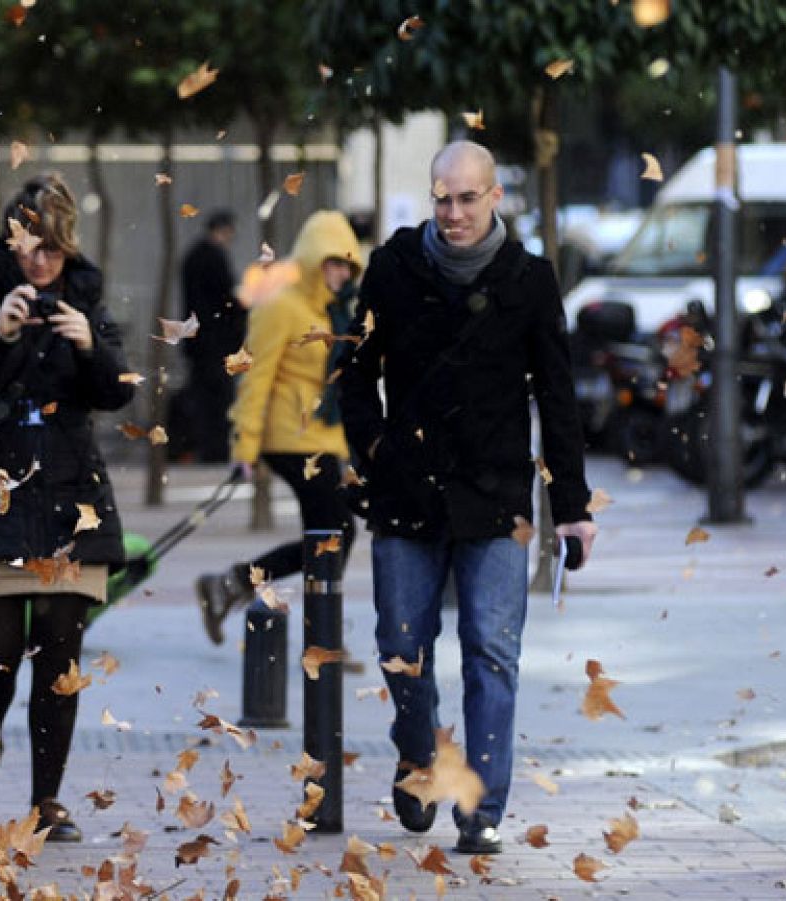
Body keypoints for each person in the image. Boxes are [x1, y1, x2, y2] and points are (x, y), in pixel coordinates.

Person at [334, 141, 598, 855]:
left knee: (491, 651)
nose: (453, 212)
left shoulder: (529, 280)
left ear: (495, 197)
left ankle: (480, 806)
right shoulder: (393, 268)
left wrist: (573, 507)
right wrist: (375, 450)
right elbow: (353, 374)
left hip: (496, 492)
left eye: (467, 198)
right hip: (408, 489)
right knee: (401, 646)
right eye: (442, 199)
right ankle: (420, 757)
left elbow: (558, 397)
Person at [0, 174, 135, 842]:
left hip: (71, 506)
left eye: (52, 248)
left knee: (59, 666)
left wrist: (89, 347)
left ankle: (47, 801)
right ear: (11, 242)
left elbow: (118, 392)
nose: (41, 260)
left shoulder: (86, 304)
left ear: (68, 246)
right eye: (29, 245)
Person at [195, 211, 362, 644]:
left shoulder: (333, 313)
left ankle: (237, 586)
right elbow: (255, 378)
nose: (342, 274)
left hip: (322, 439)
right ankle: (319, 635)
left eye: (348, 265)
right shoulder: (281, 306)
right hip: (288, 438)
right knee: (336, 533)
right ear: (312, 259)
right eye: (334, 262)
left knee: (329, 534)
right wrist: (244, 447)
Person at [178, 210, 244, 463]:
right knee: (219, 400)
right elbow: (226, 299)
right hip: (216, 341)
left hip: (198, 340)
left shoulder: (192, 256)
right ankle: (217, 450)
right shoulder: (214, 258)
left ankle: (206, 448)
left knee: (203, 400)